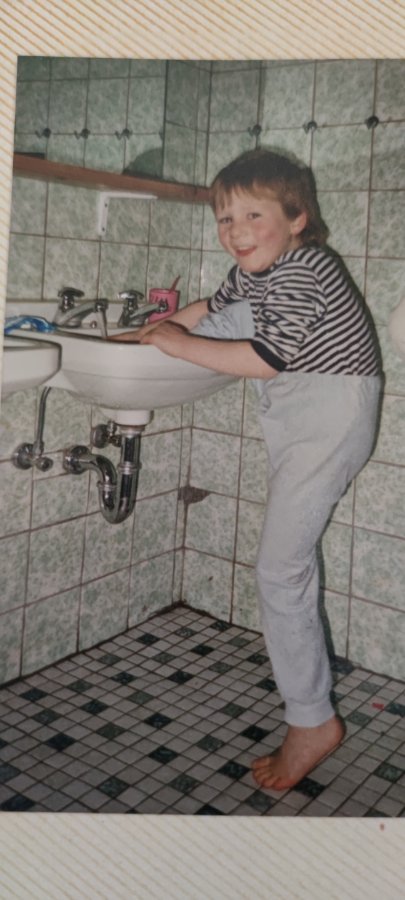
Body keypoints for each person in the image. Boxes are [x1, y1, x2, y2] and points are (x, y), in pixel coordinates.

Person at [112, 149, 382, 790]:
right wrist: (150, 334)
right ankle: (310, 712)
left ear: (297, 218)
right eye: (225, 218)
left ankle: (313, 720)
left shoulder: (306, 267)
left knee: (280, 569)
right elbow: (212, 308)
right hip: (305, 410)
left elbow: (264, 357)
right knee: (218, 312)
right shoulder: (258, 272)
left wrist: (177, 342)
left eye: (253, 215)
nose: (235, 231)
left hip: (329, 413)